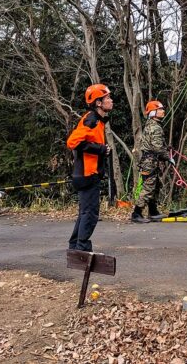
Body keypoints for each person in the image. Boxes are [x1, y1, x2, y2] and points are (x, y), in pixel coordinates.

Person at [68, 83, 113, 251]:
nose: (111, 100)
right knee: (90, 214)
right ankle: (82, 249)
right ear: (98, 103)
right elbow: (73, 142)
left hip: (88, 173)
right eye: (107, 98)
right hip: (87, 174)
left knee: (85, 213)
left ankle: (75, 246)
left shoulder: (98, 121)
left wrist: (102, 150)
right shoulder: (91, 120)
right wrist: (100, 149)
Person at [132, 100, 171, 223]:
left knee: (155, 185)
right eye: (160, 109)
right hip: (150, 162)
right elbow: (157, 147)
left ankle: (153, 211)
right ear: (153, 112)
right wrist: (168, 157)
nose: (163, 111)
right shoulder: (155, 127)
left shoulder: (151, 125)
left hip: (150, 161)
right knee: (149, 187)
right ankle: (136, 213)